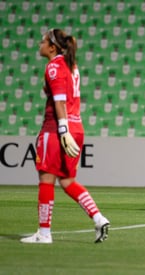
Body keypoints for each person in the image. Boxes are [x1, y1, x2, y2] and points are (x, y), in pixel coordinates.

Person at [20, 29, 110, 244]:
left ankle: (44, 233)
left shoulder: (53, 66)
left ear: (52, 47)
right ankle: (98, 218)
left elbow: (60, 102)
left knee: (46, 179)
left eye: (43, 41)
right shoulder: (71, 67)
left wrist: (62, 130)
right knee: (68, 180)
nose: (40, 44)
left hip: (57, 129)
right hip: (77, 127)